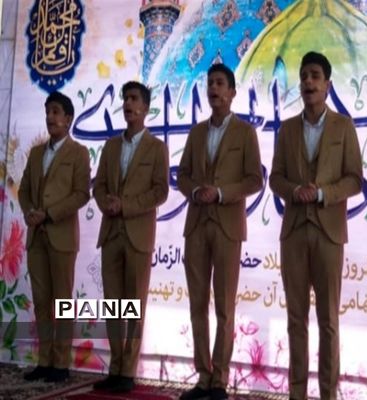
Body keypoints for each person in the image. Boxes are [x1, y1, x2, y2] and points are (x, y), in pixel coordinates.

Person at [269, 51, 363, 400]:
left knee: (328, 321)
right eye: (304, 76)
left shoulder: (343, 126)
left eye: (315, 76)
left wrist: (323, 193)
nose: (308, 82)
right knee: (296, 319)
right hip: (294, 231)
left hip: (329, 232)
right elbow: (275, 178)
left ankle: (328, 393)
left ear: (327, 85)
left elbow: (355, 179)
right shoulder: (287, 128)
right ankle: (297, 393)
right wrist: (294, 191)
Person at [177, 63, 263, 400]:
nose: (213, 88)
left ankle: (220, 380)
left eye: (219, 83)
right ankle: (203, 376)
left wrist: (222, 193)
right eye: (210, 83)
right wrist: (195, 191)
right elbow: (182, 175)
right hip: (196, 224)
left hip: (228, 227)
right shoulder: (196, 132)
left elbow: (255, 180)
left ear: (232, 92)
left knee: (225, 307)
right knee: (197, 304)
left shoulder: (245, 132)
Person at [92, 81, 169, 393]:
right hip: (111, 232)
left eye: (134, 99)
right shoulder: (111, 146)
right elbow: (98, 185)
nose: (128, 103)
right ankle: (114, 367)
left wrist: (127, 206)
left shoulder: (157, 147)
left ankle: (128, 371)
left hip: (138, 234)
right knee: (113, 304)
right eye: (125, 99)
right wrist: (106, 203)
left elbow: (161, 191)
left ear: (146, 107)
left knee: (134, 305)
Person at [18, 91, 91, 383]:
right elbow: (24, 190)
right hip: (36, 236)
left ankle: (61, 364)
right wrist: (29, 212)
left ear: (68, 119)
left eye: (56, 112)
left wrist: (48, 213)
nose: (50, 117)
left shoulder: (78, 153)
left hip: (61, 236)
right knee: (41, 301)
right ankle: (44, 361)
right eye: (48, 111)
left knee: (62, 302)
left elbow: (81, 194)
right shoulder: (36, 153)